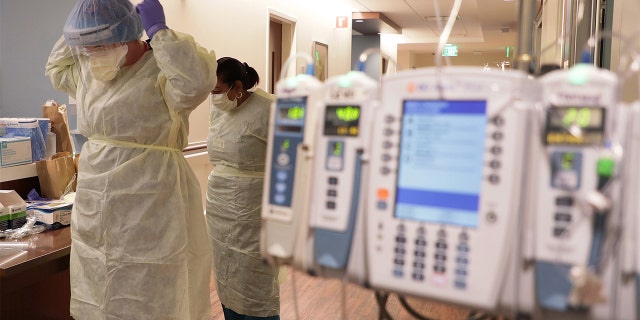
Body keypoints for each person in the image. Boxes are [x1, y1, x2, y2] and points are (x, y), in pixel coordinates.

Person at [45, 0, 216, 319]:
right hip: (97, 198)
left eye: (101, 43)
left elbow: (197, 81)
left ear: (126, 34)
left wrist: (159, 33)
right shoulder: (89, 70)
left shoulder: (163, 68)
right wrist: (75, 36)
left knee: (151, 292)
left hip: (152, 201)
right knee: (97, 287)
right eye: (88, 46)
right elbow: (56, 68)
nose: (94, 52)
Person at [206, 57, 280, 320]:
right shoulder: (219, 110)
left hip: (254, 207)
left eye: (217, 91)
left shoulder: (269, 109)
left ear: (237, 86)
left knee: (255, 277)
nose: (213, 97)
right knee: (226, 273)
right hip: (219, 207)